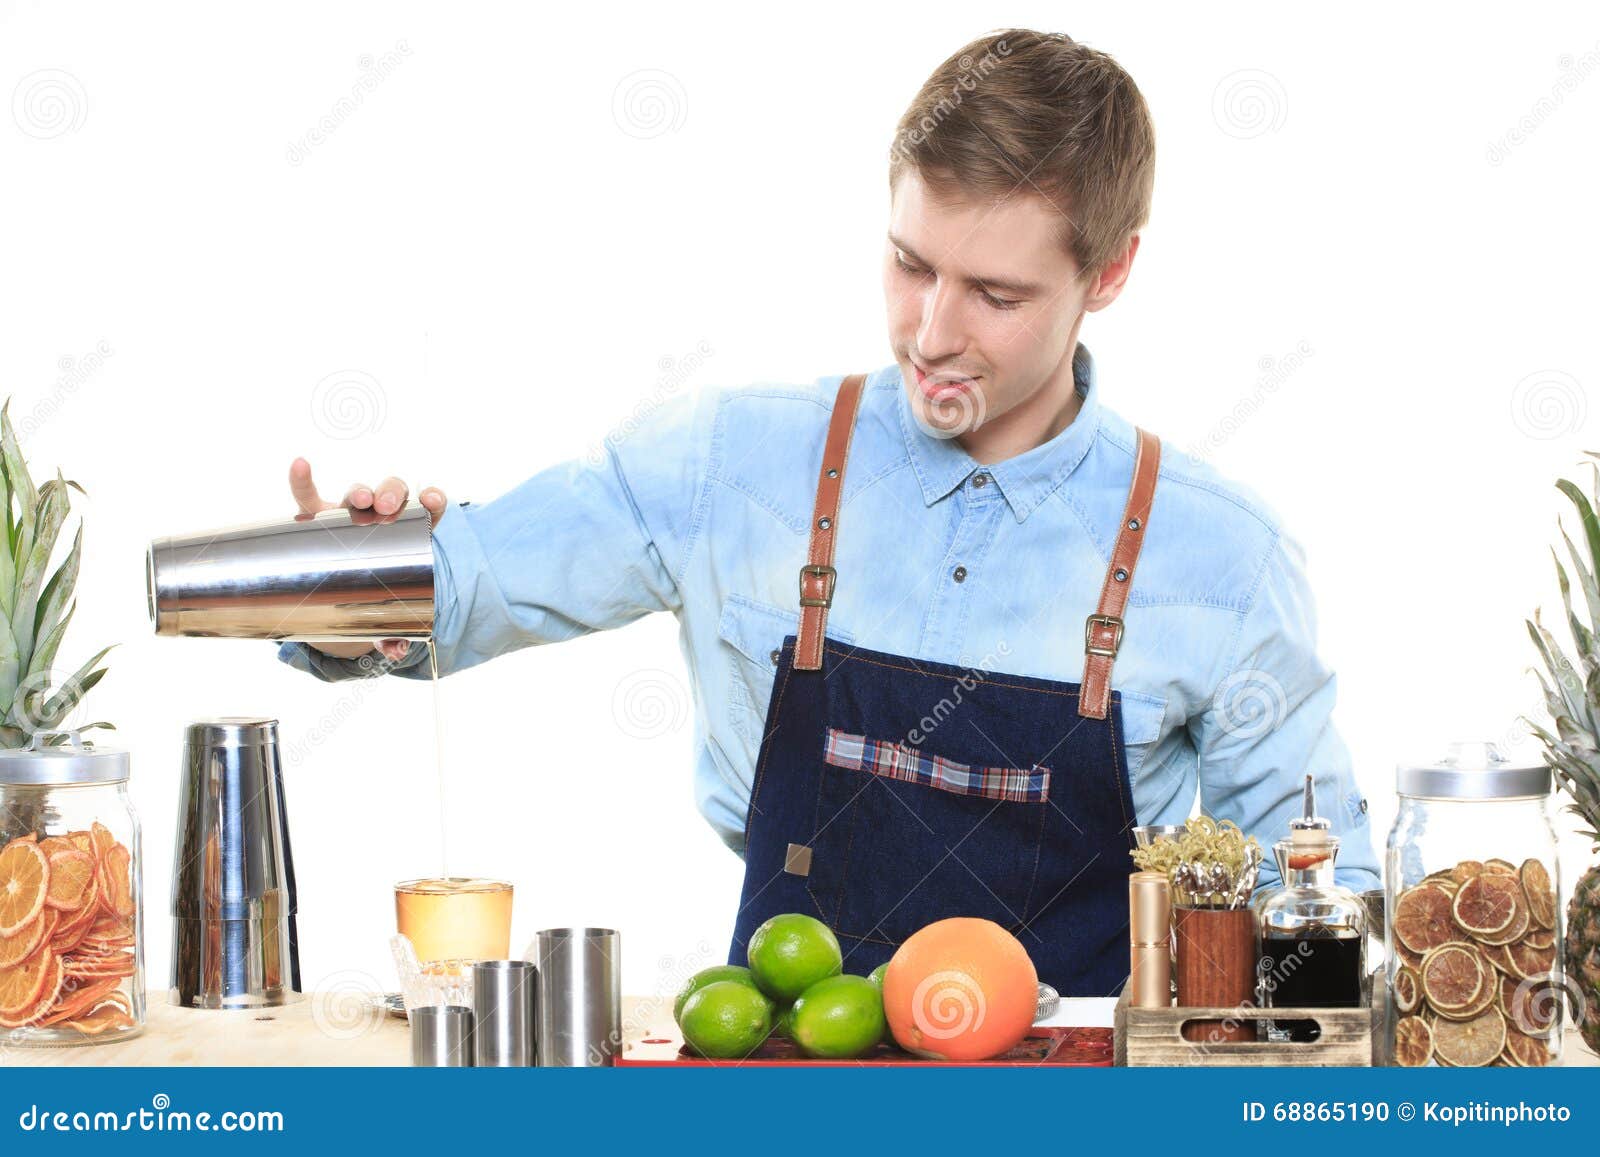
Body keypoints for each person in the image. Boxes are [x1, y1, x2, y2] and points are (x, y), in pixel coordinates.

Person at [279, 29, 1379, 995]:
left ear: (1111, 271)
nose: (931, 332)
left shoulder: (1224, 558)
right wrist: (348, 582)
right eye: (910, 265)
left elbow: (1322, 901)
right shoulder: (730, 460)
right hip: (778, 1084)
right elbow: (463, 584)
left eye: (994, 295)